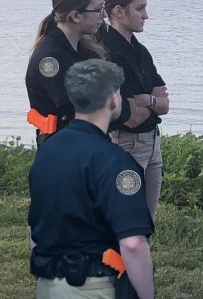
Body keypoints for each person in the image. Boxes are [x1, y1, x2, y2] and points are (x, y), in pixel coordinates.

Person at [28, 59, 155, 299]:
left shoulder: (47, 150)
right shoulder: (116, 163)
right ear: (113, 99)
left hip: (48, 286)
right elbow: (133, 245)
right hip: (94, 287)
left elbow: (34, 228)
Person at [101, 0, 170, 218]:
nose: (146, 15)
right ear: (118, 11)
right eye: (139, 8)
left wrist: (148, 100)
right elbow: (128, 117)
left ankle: (139, 257)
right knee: (123, 220)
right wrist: (148, 101)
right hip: (126, 144)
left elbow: (164, 104)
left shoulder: (140, 51)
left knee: (146, 222)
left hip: (152, 144)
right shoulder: (106, 52)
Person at [26, 0, 107, 144]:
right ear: (76, 16)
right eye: (98, 9)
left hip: (83, 146)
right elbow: (80, 112)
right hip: (62, 151)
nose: (104, 15)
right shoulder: (50, 58)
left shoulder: (82, 50)